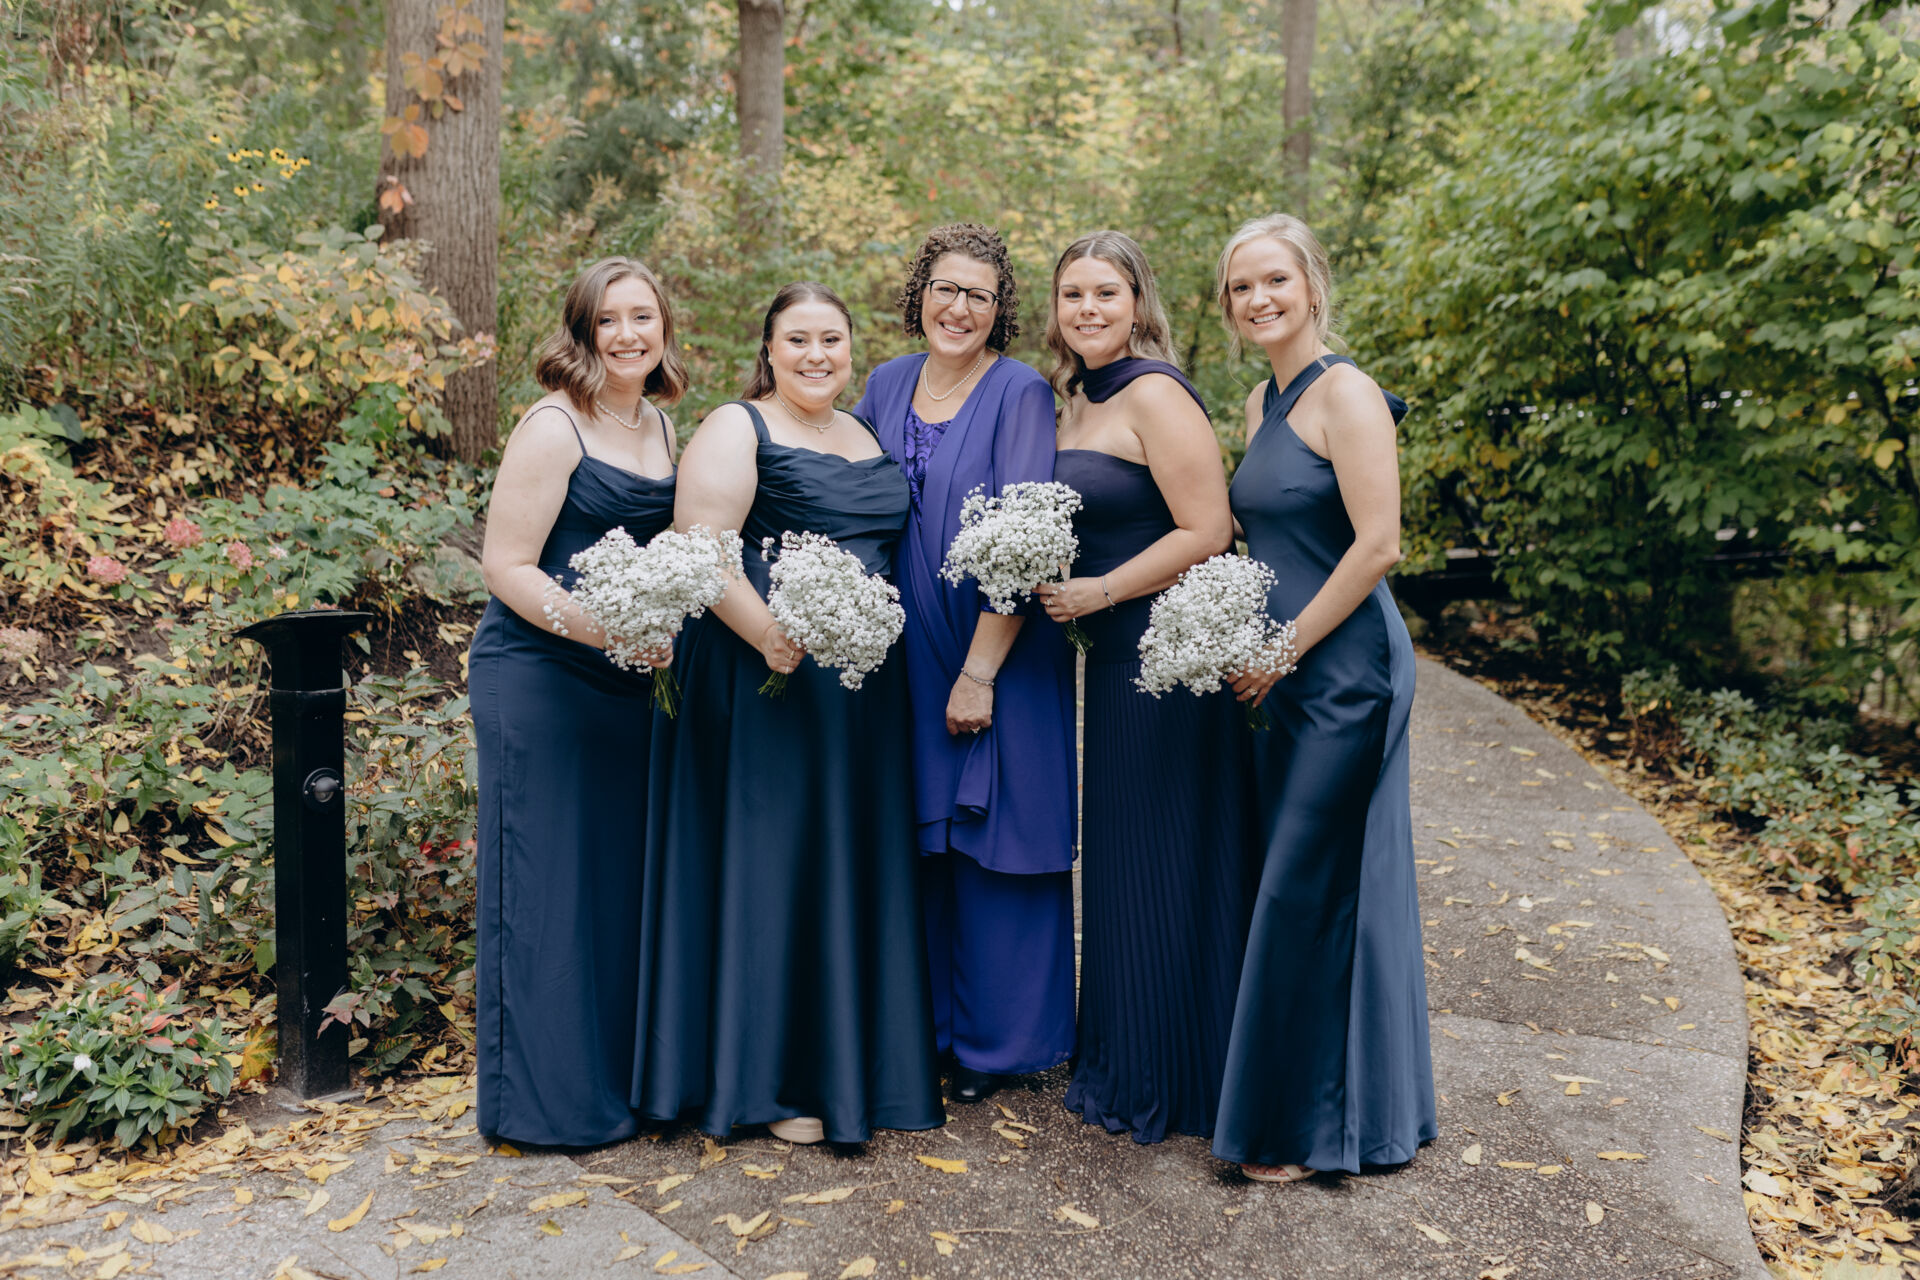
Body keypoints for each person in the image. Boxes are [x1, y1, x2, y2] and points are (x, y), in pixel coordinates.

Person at [631, 282, 943, 1146]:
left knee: (840, 861)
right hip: (763, 676)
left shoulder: (866, 433)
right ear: (768, 349)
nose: (816, 355)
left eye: (831, 339)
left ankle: (850, 1068)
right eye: (797, 339)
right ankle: (769, 1081)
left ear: (851, 349)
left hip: (860, 692)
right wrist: (768, 635)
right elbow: (702, 542)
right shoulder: (739, 426)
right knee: (773, 863)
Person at [1212, 213, 1437, 1182]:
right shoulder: (1260, 403)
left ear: (1312, 284)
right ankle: (1361, 1107)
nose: (1258, 298)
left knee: (1306, 881)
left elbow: (1379, 543)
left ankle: (1306, 1129)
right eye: (1241, 287)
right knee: (1305, 877)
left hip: (1345, 671)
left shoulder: (1347, 392)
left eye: (1275, 279)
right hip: (1277, 674)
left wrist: (1285, 646)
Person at [852, 225, 1077, 1104]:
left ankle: (1000, 1042)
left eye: (978, 295)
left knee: (995, 841)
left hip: (995, 649)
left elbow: (1026, 540)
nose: (958, 308)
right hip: (902, 649)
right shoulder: (883, 383)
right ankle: (930, 1027)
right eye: (944, 288)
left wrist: (980, 670)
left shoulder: (1019, 392)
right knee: (921, 841)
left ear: (999, 309)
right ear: (920, 294)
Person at [1035, 230, 1248, 1145]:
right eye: (1073, 294)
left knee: (1166, 859)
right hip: (1113, 658)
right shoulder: (1074, 397)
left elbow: (1209, 528)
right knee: (1121, 862)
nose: (1088, 309)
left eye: (1105, 293)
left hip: (1167, 660)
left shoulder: (1156, 393)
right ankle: (1127, 1056)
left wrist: (1102, 591)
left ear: (1137, 304)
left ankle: (1184, 1075)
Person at [470, 256, 685, 1146]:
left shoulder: (661, 425)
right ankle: (545, 1107)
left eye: (643, 317)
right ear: (583, 332)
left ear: (665, 326)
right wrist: (606, 631)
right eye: (609, 320)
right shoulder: (553, 425)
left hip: (629, 686)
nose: (629, 335)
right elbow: (505, 566)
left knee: (611, 881)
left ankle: (616, 1082)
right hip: (539, 675)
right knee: (547, 882)